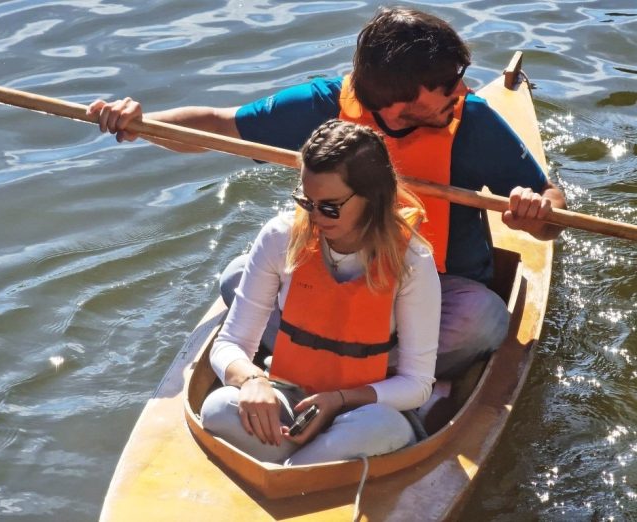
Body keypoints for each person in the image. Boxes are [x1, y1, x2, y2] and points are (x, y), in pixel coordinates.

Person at [87, 7, 567, 379]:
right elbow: (217, 126)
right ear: (400, 95)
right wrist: (141, 125)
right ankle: (373, 370)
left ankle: (347, 368)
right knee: (236, 278)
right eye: (445, 84)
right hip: (332, 277)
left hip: (437, 289)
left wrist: (538, 214)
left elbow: (551, 203)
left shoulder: (473, 122)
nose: (460, 91)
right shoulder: (322, 105)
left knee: (483, 320)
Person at [198, 119, 440, 464]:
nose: (314, 217)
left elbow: (417, 384)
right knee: (218, 408)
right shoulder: (279, 237)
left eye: (329, 207)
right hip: (292, 401)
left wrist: (339, 400)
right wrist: (252, 380)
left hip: (364, 411)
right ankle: (308, 467)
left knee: (380, 428)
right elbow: (229, 343)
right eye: (306, 201)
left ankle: (288, 470)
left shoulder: (413, 260)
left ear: (372, 197)